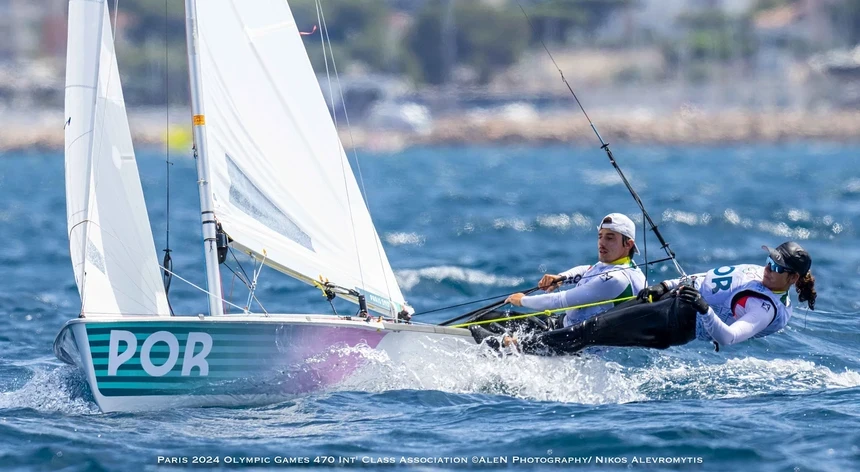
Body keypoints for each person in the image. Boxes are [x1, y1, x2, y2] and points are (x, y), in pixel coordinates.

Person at [478, 241, 816, 355]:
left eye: (778, 267)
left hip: (676, 323)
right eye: (770, 260)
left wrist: (702, 309)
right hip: (671, 302)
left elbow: (728, 338)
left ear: (793, 279)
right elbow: (701, 279)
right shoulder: (757, 274)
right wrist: (665, 285)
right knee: (583, 320)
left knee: (595, 328)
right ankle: (523, 334)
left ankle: (520, 350)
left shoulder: (763, 308)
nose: (769, 268)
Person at [469, 213, 646, 344]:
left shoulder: (616, 279)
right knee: (486, 317)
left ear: (628, 244)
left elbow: (560, 301)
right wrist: (562, 277)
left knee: (477, 326)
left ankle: (502, 350)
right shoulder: (625, 267)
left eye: (610, 238)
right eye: (600, 236)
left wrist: (522, 300)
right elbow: (589, 270)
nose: (602, 243)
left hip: (570, 342)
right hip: (562, 326)